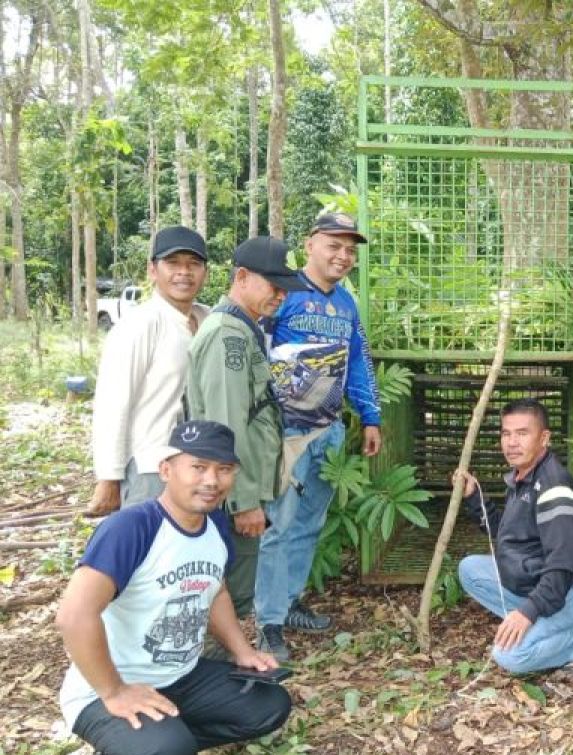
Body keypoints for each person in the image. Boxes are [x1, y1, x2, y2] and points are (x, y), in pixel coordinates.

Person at [58, 420, 292, 755]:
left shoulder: (215, 524)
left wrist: (242, 651)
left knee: (268, 706)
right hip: (104, 688)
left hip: (179, 674)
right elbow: (74, 615)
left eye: (224, 469)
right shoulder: (132, 527)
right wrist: (114, 691)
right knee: (164, 752)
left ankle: (165, 739)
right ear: (166, 470)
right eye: (198, 467)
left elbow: (214, 590)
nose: (212, 480)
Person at [254, 214, 382, 661]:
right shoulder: (282, 294)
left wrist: (371, 417)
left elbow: (359, 362)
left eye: (350, 250)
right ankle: (267, 622)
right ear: (311, 244)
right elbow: (256, 353)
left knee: (308, 523)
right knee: (280, 524)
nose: (343, 256)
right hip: (288, 433)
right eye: (335, 246)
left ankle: (288, 603)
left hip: (329, 432)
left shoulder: (346, 305)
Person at [186, 236, 306, 630]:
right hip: (228, 495)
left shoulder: (242, 328)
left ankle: (223, 673)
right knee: (229, 595)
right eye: (274, 286)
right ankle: (217, 677)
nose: (281, 297)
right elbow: (226, 424)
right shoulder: (228, 336)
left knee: (233, 591)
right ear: (242, 277)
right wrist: (244, 502)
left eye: (285, 289)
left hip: (234, 489)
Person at [456, 399, 573, 674]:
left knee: (509, 656)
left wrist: (527, 612)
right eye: (506, 433)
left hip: (571, 589)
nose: (512, 442)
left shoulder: (553, 487)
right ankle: (547, 624)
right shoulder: (521, 477)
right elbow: (505, 535)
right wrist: (474, 498)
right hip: (538, 579)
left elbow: (562, 566)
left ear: (544, 438)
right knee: (470, 570)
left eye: (522, 433)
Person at [88, 226, 210, 514]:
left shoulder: (206, 318)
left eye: (193, 264)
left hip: (200, 464)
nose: (184, 272)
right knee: (150, 551)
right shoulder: (140, 324)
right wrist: (109, 477)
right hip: (152, 466)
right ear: (153, 270)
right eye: (173, 263)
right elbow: (112, 403)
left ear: (205, 272)